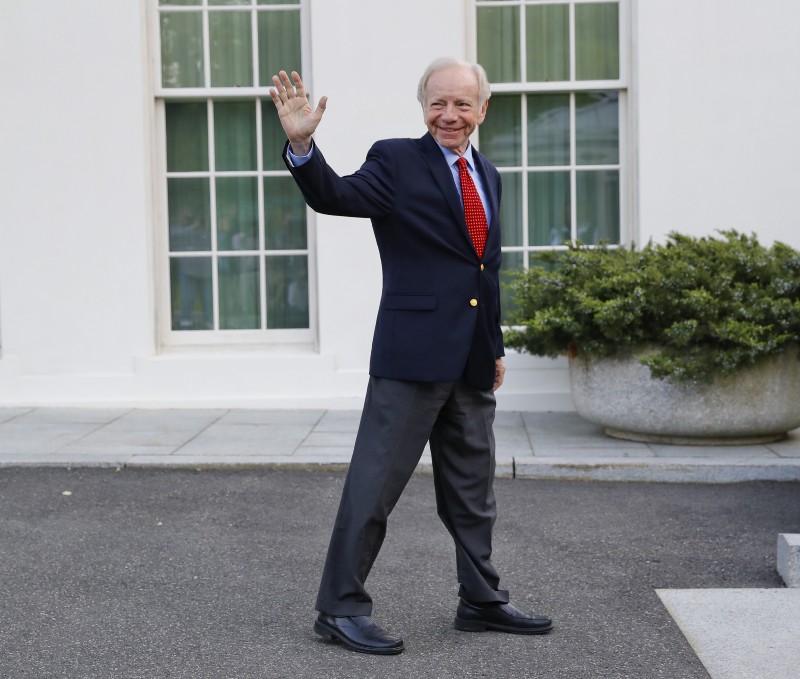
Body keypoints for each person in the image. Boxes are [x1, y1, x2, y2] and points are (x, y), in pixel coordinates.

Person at [269, 57, 553, 656]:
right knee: (373, 488)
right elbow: (335, 196)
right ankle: (339, 608)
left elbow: (486, 269)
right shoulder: (396, 160)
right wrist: (302, 148)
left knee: (473, 491)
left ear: (482, 109)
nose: (449, 115)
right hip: (410, 357)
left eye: (462, 104)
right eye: (437, 103)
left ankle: (480, 599)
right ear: (423, 106)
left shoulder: (488, 173)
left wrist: (495, 346)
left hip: (471, 359)